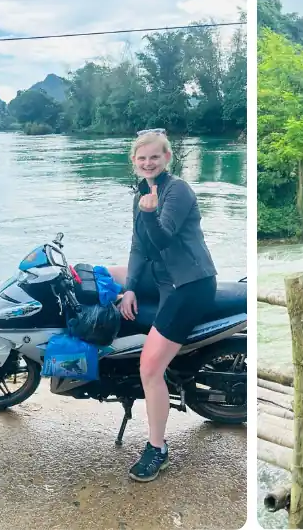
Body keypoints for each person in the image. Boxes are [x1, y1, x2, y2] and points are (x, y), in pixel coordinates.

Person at [116, 129, 218, 482]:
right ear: (134, 162)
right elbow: (138, 247)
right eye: (142, 158)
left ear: (167, 158)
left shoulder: (177, 190)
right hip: (163, 278)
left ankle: (157, 447)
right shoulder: (142, 192)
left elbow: (161, 237)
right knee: (103, 275)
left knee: (149, 367)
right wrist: (129, 288)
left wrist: (148, 213)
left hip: (189, 285)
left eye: (154, 157)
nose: (148, 163)